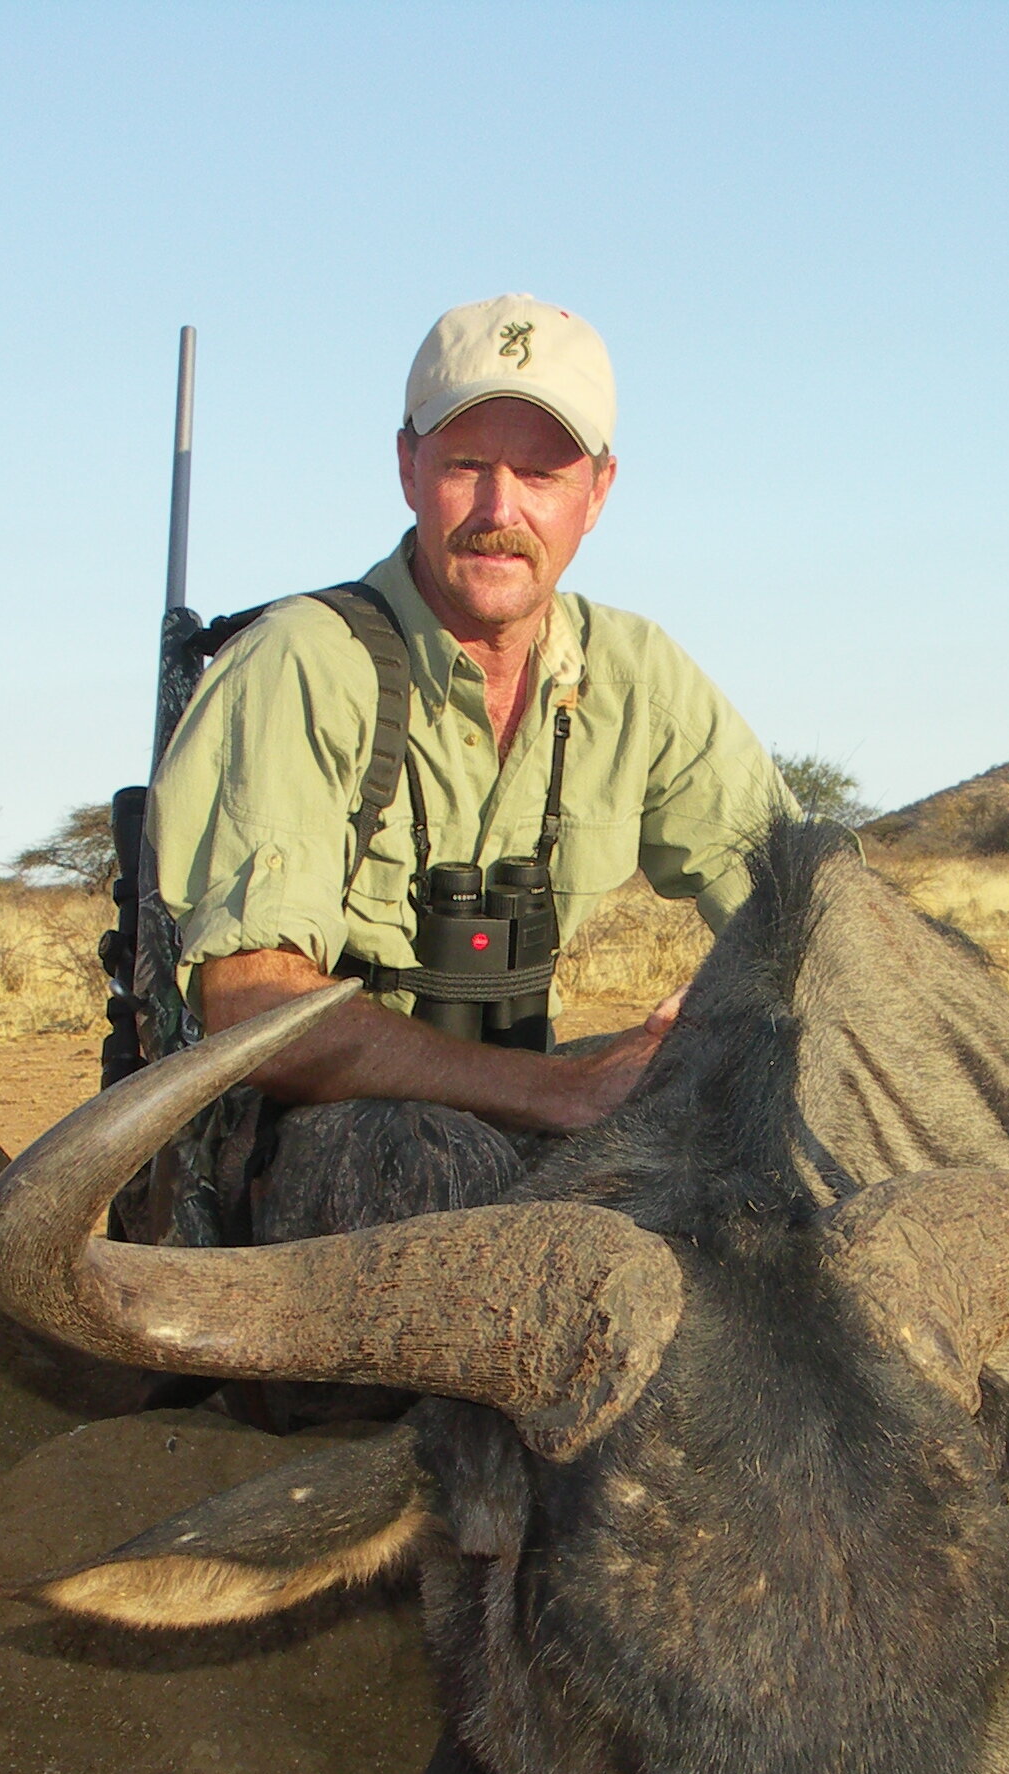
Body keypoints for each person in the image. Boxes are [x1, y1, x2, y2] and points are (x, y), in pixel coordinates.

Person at [134, 293, 795, 1258]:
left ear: (599, 492)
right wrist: (561, 1093)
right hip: (327, 1131)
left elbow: (809, 904)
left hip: (534, 1116)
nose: (500, 511)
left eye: (539, 472)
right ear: (407, 468)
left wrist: (707, 1036)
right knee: (440, 1172)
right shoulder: (302, 664)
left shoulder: (637, 671)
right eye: (466, 467)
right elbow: (251, 1002)